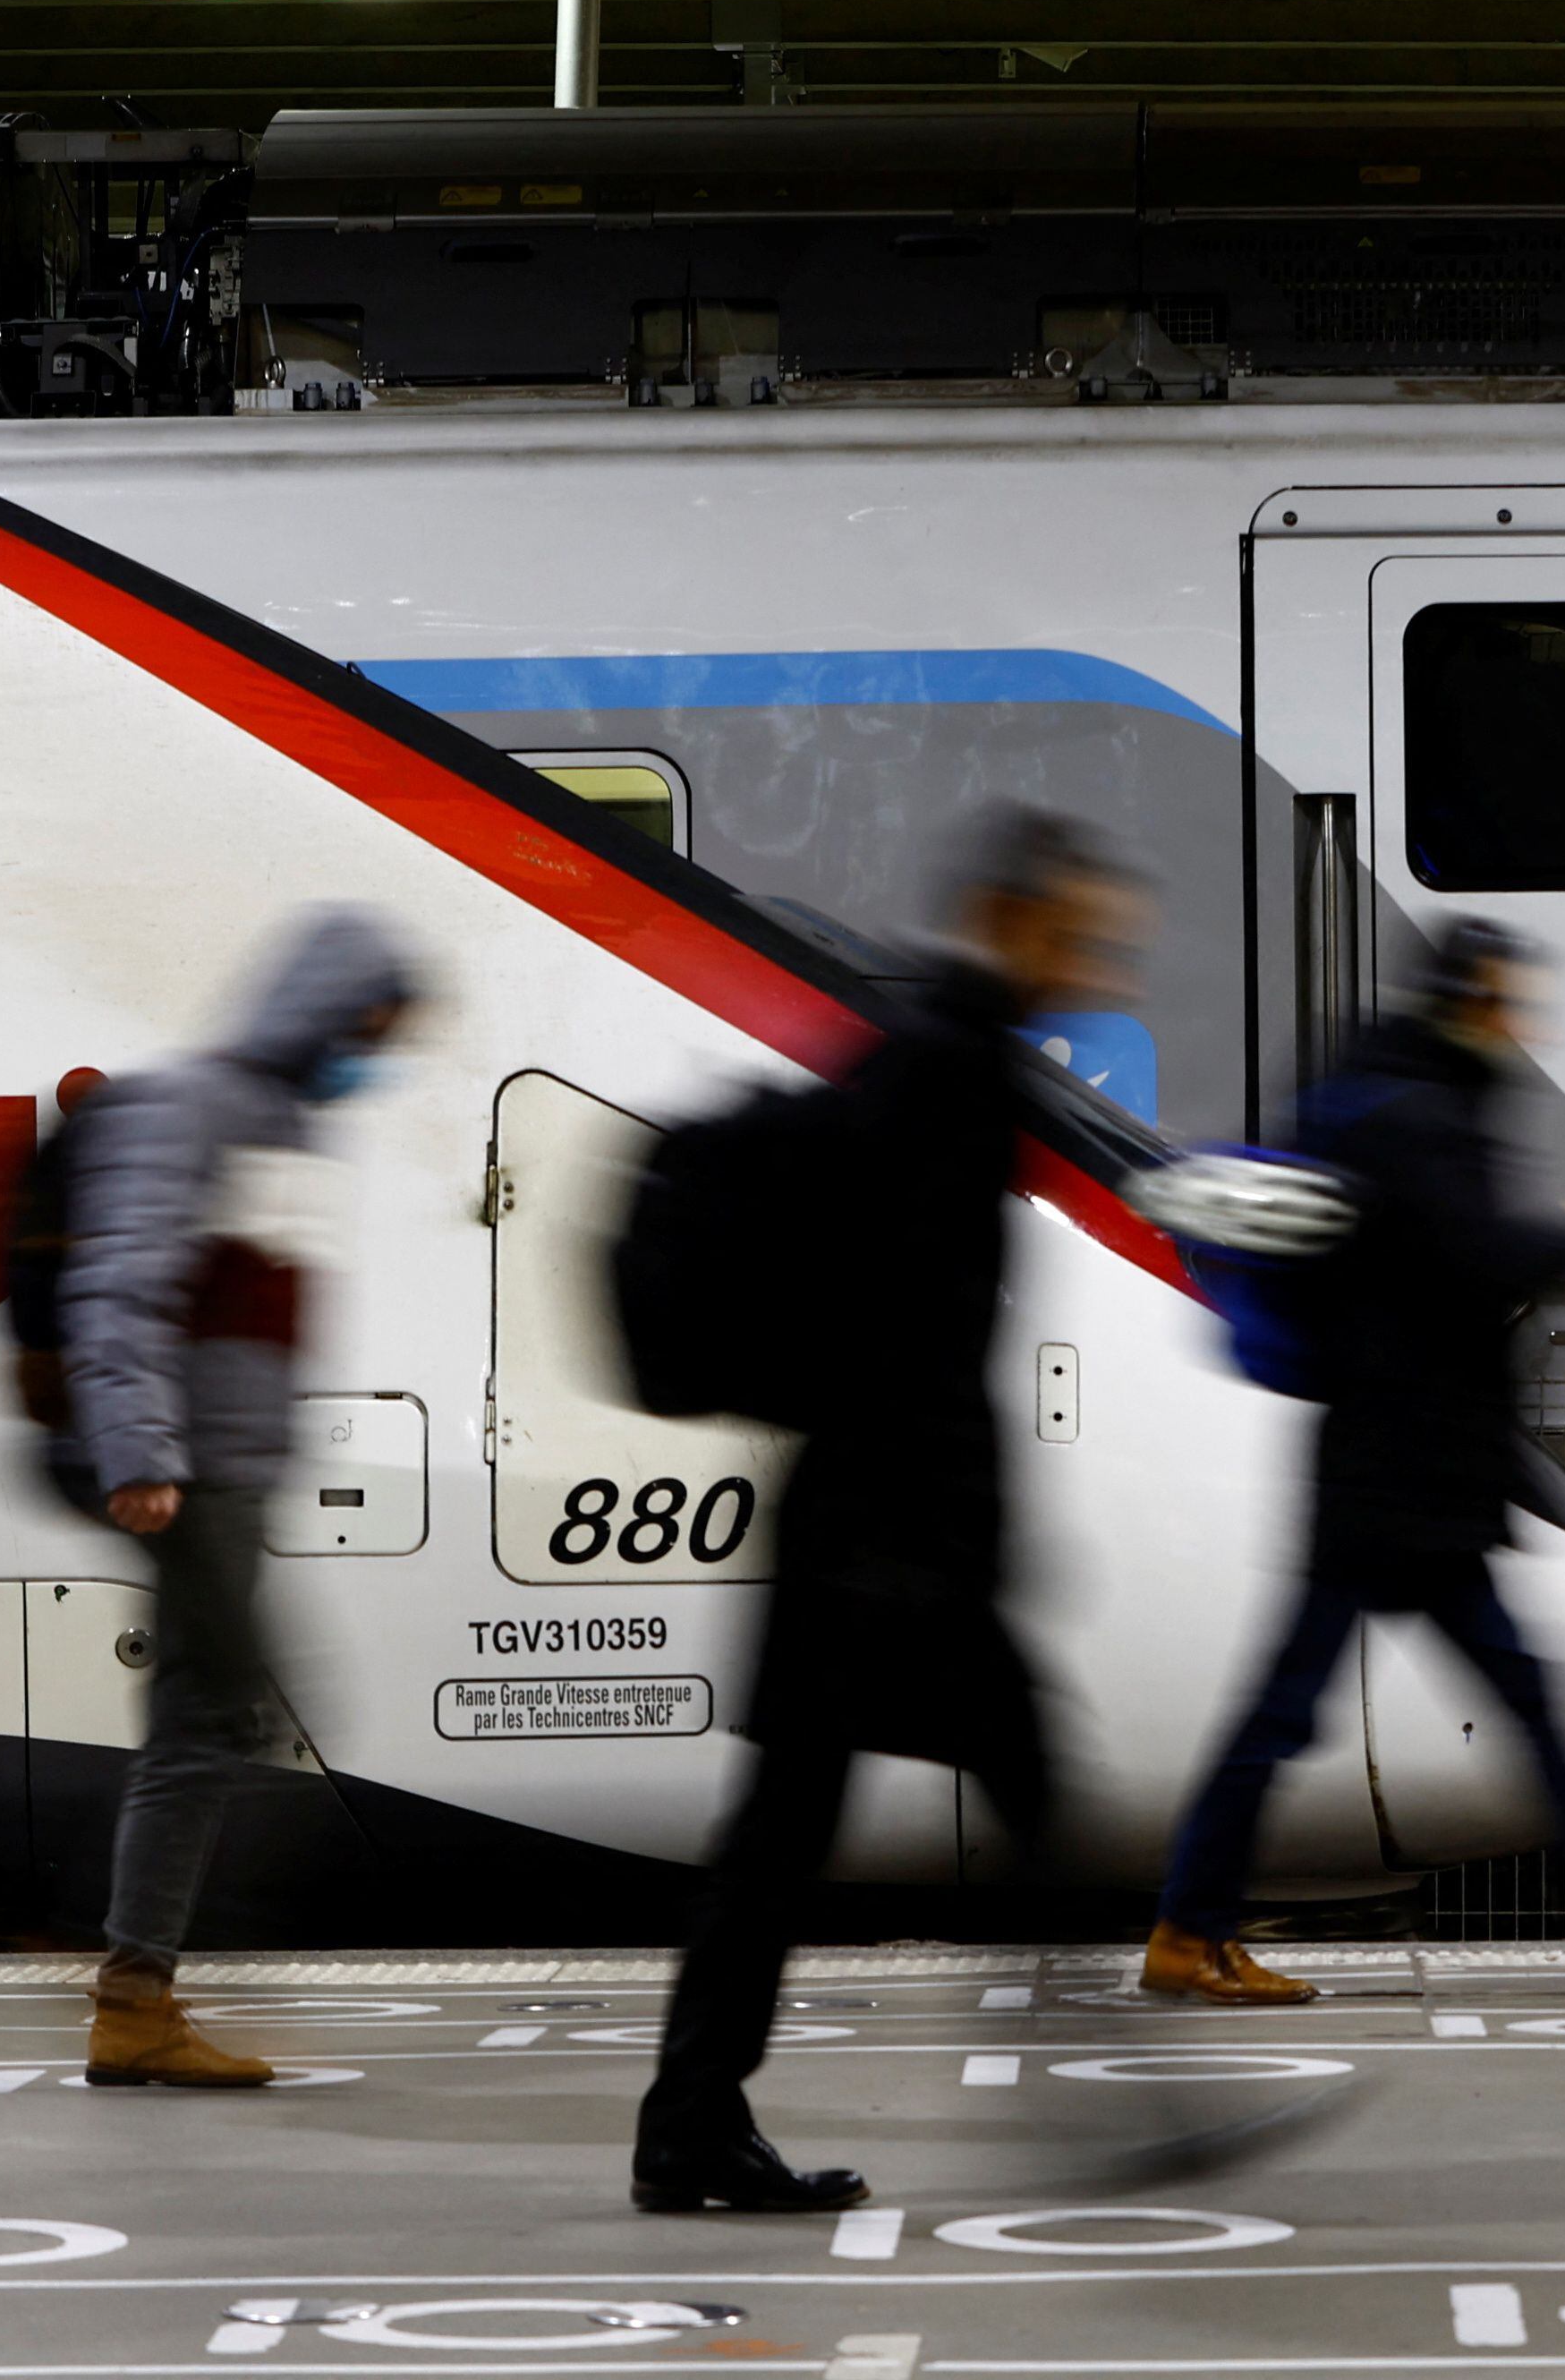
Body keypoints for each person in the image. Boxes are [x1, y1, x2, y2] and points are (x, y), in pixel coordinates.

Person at [631, 811, 1152, 2214]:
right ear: (1007, 916)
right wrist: (959, 1533)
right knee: (1000, 1811)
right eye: (1077, 928)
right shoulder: (950, 1071)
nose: (1097, 955)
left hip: (867, 1523)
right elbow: (915, 1332)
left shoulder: (936, 1058)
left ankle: (690, 2123)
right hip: (894, 1537)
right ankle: (1124, 2108)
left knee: (786, 1841)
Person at [1140, 918, 1565, 2006]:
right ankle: (1190, 1929)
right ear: (1471, 1002)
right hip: (1403, 1479)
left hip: (1392, 1469)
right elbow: (1473, 1262)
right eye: (1508, 1001)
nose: (1522, 1024)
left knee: (1449, 1703)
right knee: (1308, 1712)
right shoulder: (1421, 1118)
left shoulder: (1381, 1100)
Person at [61, 906, 416, 2086]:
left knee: (206, 1721)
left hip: (233, 1470)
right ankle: (143, 1987)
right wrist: (141, 1452)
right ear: (325, 1003)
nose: (377, 1044)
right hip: (191, 1472)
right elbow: (121, 1290)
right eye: (371, 1019)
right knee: (240, 1714)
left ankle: (137, 1999)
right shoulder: (192, 1105)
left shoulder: (287, 1122)